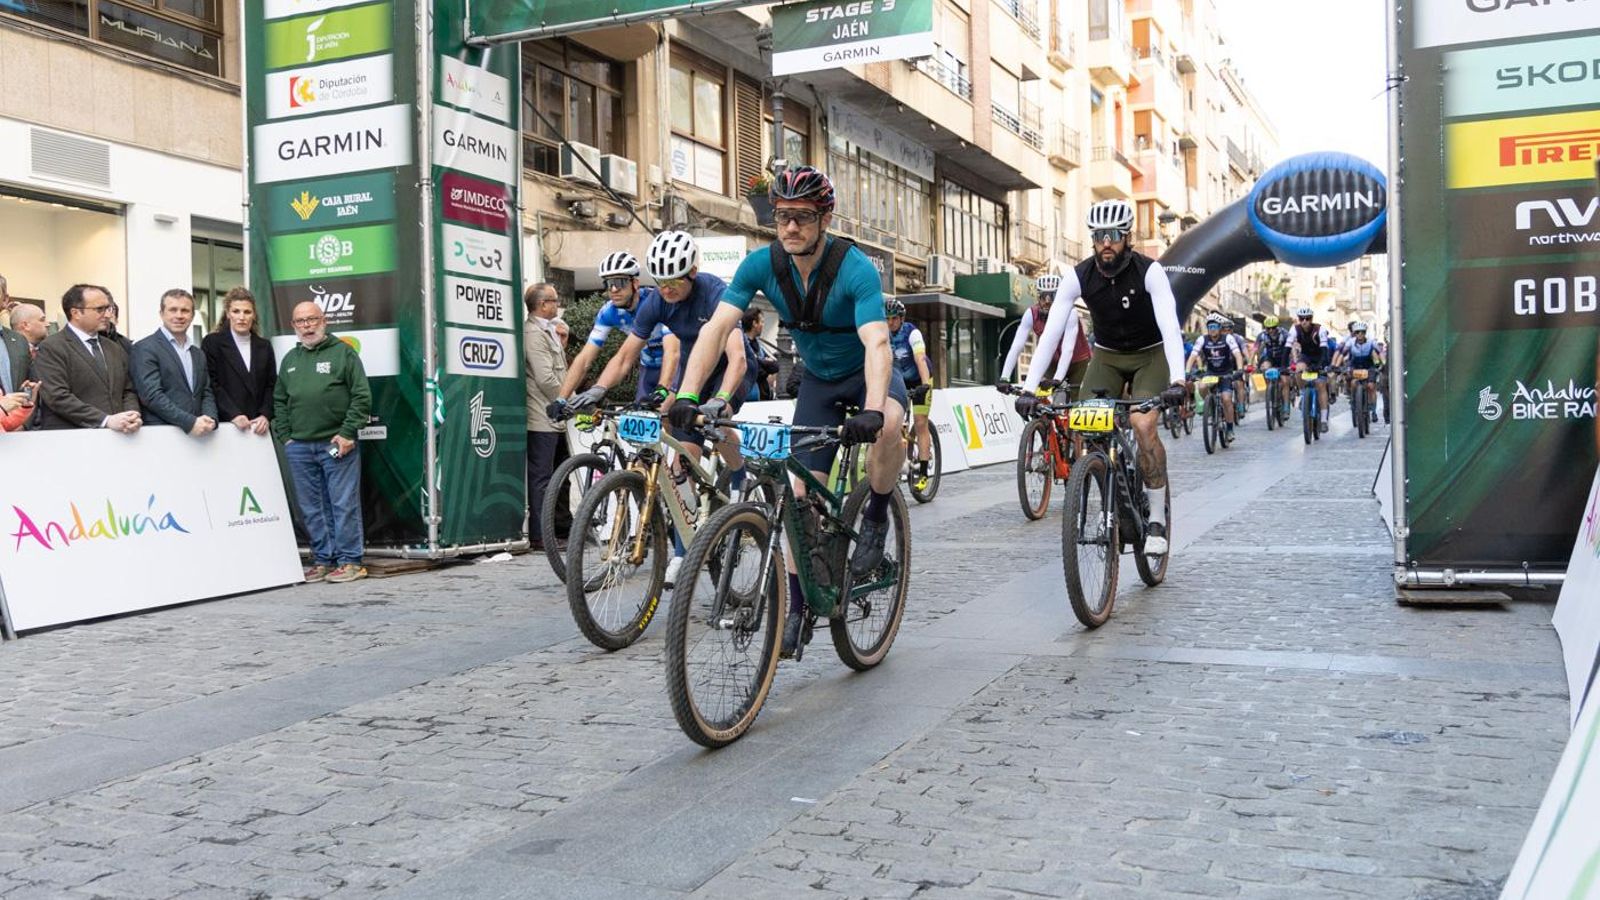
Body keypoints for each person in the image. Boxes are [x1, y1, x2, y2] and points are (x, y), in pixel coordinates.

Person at [668, 166, 908, 658]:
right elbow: (715, 330)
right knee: (798, 500)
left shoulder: (854, 268)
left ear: (824, 218)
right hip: (818, 381)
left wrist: (872, 409)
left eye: (802, 217)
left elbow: (878, 342)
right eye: (782, 218)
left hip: (866, 374)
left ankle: (879, 516)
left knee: (891, 426)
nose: (791, 228)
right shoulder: (761, 266)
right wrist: (688, 396)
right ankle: (798, 608)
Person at [563, 231, 756, 585]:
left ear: (692, 273)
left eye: (674, 282)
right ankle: (684, 549)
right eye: (661, 281)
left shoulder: (716, 293)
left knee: (718, 420)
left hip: (729, 369)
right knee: (680, 459)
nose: (666, 289)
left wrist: (722, 400)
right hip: (693, 371)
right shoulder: (656, 302)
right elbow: (625, 356)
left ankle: (740, 473)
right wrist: (597, 389)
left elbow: (738, 358)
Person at [1015, 198, 1187, 555]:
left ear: (1127, 237)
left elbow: (1171, 327)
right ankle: (1108, 489)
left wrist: (1179, 381)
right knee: (1084, 423)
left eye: (1112, 235)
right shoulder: (1079, 276)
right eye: (1098, 235)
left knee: (1142, 424)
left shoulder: (1149, 271)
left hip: (1149, 355)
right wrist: (1030, 388)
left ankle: (1155, 518)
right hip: (1107, 356)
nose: (1105, 242)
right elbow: (1050, 336)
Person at [274, 301, 371, 584]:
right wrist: (286, 437)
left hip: (337, 443)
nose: (307, 326)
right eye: (301, 321)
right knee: (311, 507)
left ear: (324, 321)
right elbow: (280, 400)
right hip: (300, 447)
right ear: (294, 326)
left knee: (343, 504)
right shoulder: (290, 360)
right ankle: (323, 561)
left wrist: (348, 432)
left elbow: (362, 396)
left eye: (312, 319)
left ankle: (350, 561)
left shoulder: (344, 353)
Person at [554, 251, 679, 405]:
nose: (613, 289)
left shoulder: (657, 303)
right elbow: (585, 358)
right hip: (649, 367)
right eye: (608, 283)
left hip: (676, 364)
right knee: (641, 417)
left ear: (635, 283)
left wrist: (664, 387)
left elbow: (673, 353)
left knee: (666, 413)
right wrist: (562, 398)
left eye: (619, 282)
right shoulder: (609, 312)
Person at [33, 284, 141, 433]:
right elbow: (57, 397)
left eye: (108, 308)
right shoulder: (52, 347)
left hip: (118, 436)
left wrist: (132, 415)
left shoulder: (114, 347)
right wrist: (105, 420)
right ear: (76, 313)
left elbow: (128, 390)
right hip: (73, 439)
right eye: (100, 309)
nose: (108, 315)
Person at [131, 289, 217, 436]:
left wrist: (210, 418)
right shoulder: (145, 348)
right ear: (162, 314)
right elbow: (151, 396)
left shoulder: (197, 353)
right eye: (173, 310)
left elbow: (206, 392)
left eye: (185, 310)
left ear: (192, 315)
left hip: (199, 435)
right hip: (162, 434)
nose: (179, 315)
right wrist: (189, 422)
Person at [524, 282, 569, 552]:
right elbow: (546, 378)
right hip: (542, 415)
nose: (557, 305)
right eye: (554, 300)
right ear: (542, 305)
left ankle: (560, 528)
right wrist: (568, 398)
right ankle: (541, 535)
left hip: (556, 415)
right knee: (542, 477)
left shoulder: (548, 331)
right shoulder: (533, 333)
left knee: (559, 475)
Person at [999, 273, 1091, 393]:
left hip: (1078, 361)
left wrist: (1057, 379)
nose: (1047, 301)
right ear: (1038, 297)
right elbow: (1017, 346)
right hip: (1051, 361)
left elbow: (1068, 349)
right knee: (1044, 397)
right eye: (1043, 296)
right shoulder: (1031, 313)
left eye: (1052, 296)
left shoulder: (1070, 313)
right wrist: (1005, 377)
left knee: (1076, 399)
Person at [202, 287, 276, 435]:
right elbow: (210, 384)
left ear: (254, 315)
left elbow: (271, 385)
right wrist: (233, 414)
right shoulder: (212, 342)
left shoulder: (264, 346)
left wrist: (265, 415)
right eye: (236, 311)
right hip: (226, 425)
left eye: (247, 312)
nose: (241, 317)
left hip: (258, 427)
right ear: (228, 314)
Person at [886, 298, 935, 481]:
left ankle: (923, 472)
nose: (890, 322)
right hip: (900, 381)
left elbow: (920, 359)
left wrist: (924, 386)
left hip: (921, 378)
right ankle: (899, 461)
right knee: (894, 422)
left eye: (894, 318)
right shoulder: (884, 334)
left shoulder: (912, 333)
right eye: (887, 319)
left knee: (920, 423)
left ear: (901, 318)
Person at [1186, 314, 1245, 438]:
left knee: (1227, 399)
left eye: (1215, 326)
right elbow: (1193, 355)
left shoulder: (1228, 338)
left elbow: (1237, 354)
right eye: (1210, 326)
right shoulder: (1202, 339)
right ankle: (1211, 406)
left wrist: (1239, 370)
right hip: (1211, 372)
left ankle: (1229, 429)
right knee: (1201, 387)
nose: (1212, 329)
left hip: (1226, 373)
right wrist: (1187, 371)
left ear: (1220, 328)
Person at [1289, 306, 1335, 433]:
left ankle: (1324, 420)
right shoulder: (1295, 329)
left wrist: (1320, 365)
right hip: (1306, 356)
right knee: (1298, 370)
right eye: (1301, 319)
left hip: (1320, 356)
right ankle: (1303, 394)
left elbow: (1325, 351)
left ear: (1311, 319)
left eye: (1307, 319)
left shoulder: (1319, 329)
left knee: (1320, 385)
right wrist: (1285, 364)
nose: (1304, 321)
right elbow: (1288, 347)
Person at [1332, 320, 1383, 422]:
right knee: (1353, 383)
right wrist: (1336, 366)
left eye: (1362, 332)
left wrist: (1383, 364)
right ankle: (1354, 400)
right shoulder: (1350, 342)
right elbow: (1342, 354)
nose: (1360, 334)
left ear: (1365, 333)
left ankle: (1373, 411)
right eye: (1357, 332)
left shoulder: (1371, 342)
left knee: (1371, 386)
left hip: (1369, 366)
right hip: (1355, 366)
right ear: (1354, 333)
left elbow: (1380, 353)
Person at [742, 308, 781, 401]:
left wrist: (759, 362)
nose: (763, 325)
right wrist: (764, 364)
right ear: (754, 323)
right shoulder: (741, 344)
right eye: (762, 322)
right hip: (749, 397)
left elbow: (775, 366)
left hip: (763, 395)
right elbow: (751, 369)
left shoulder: (760, 345)